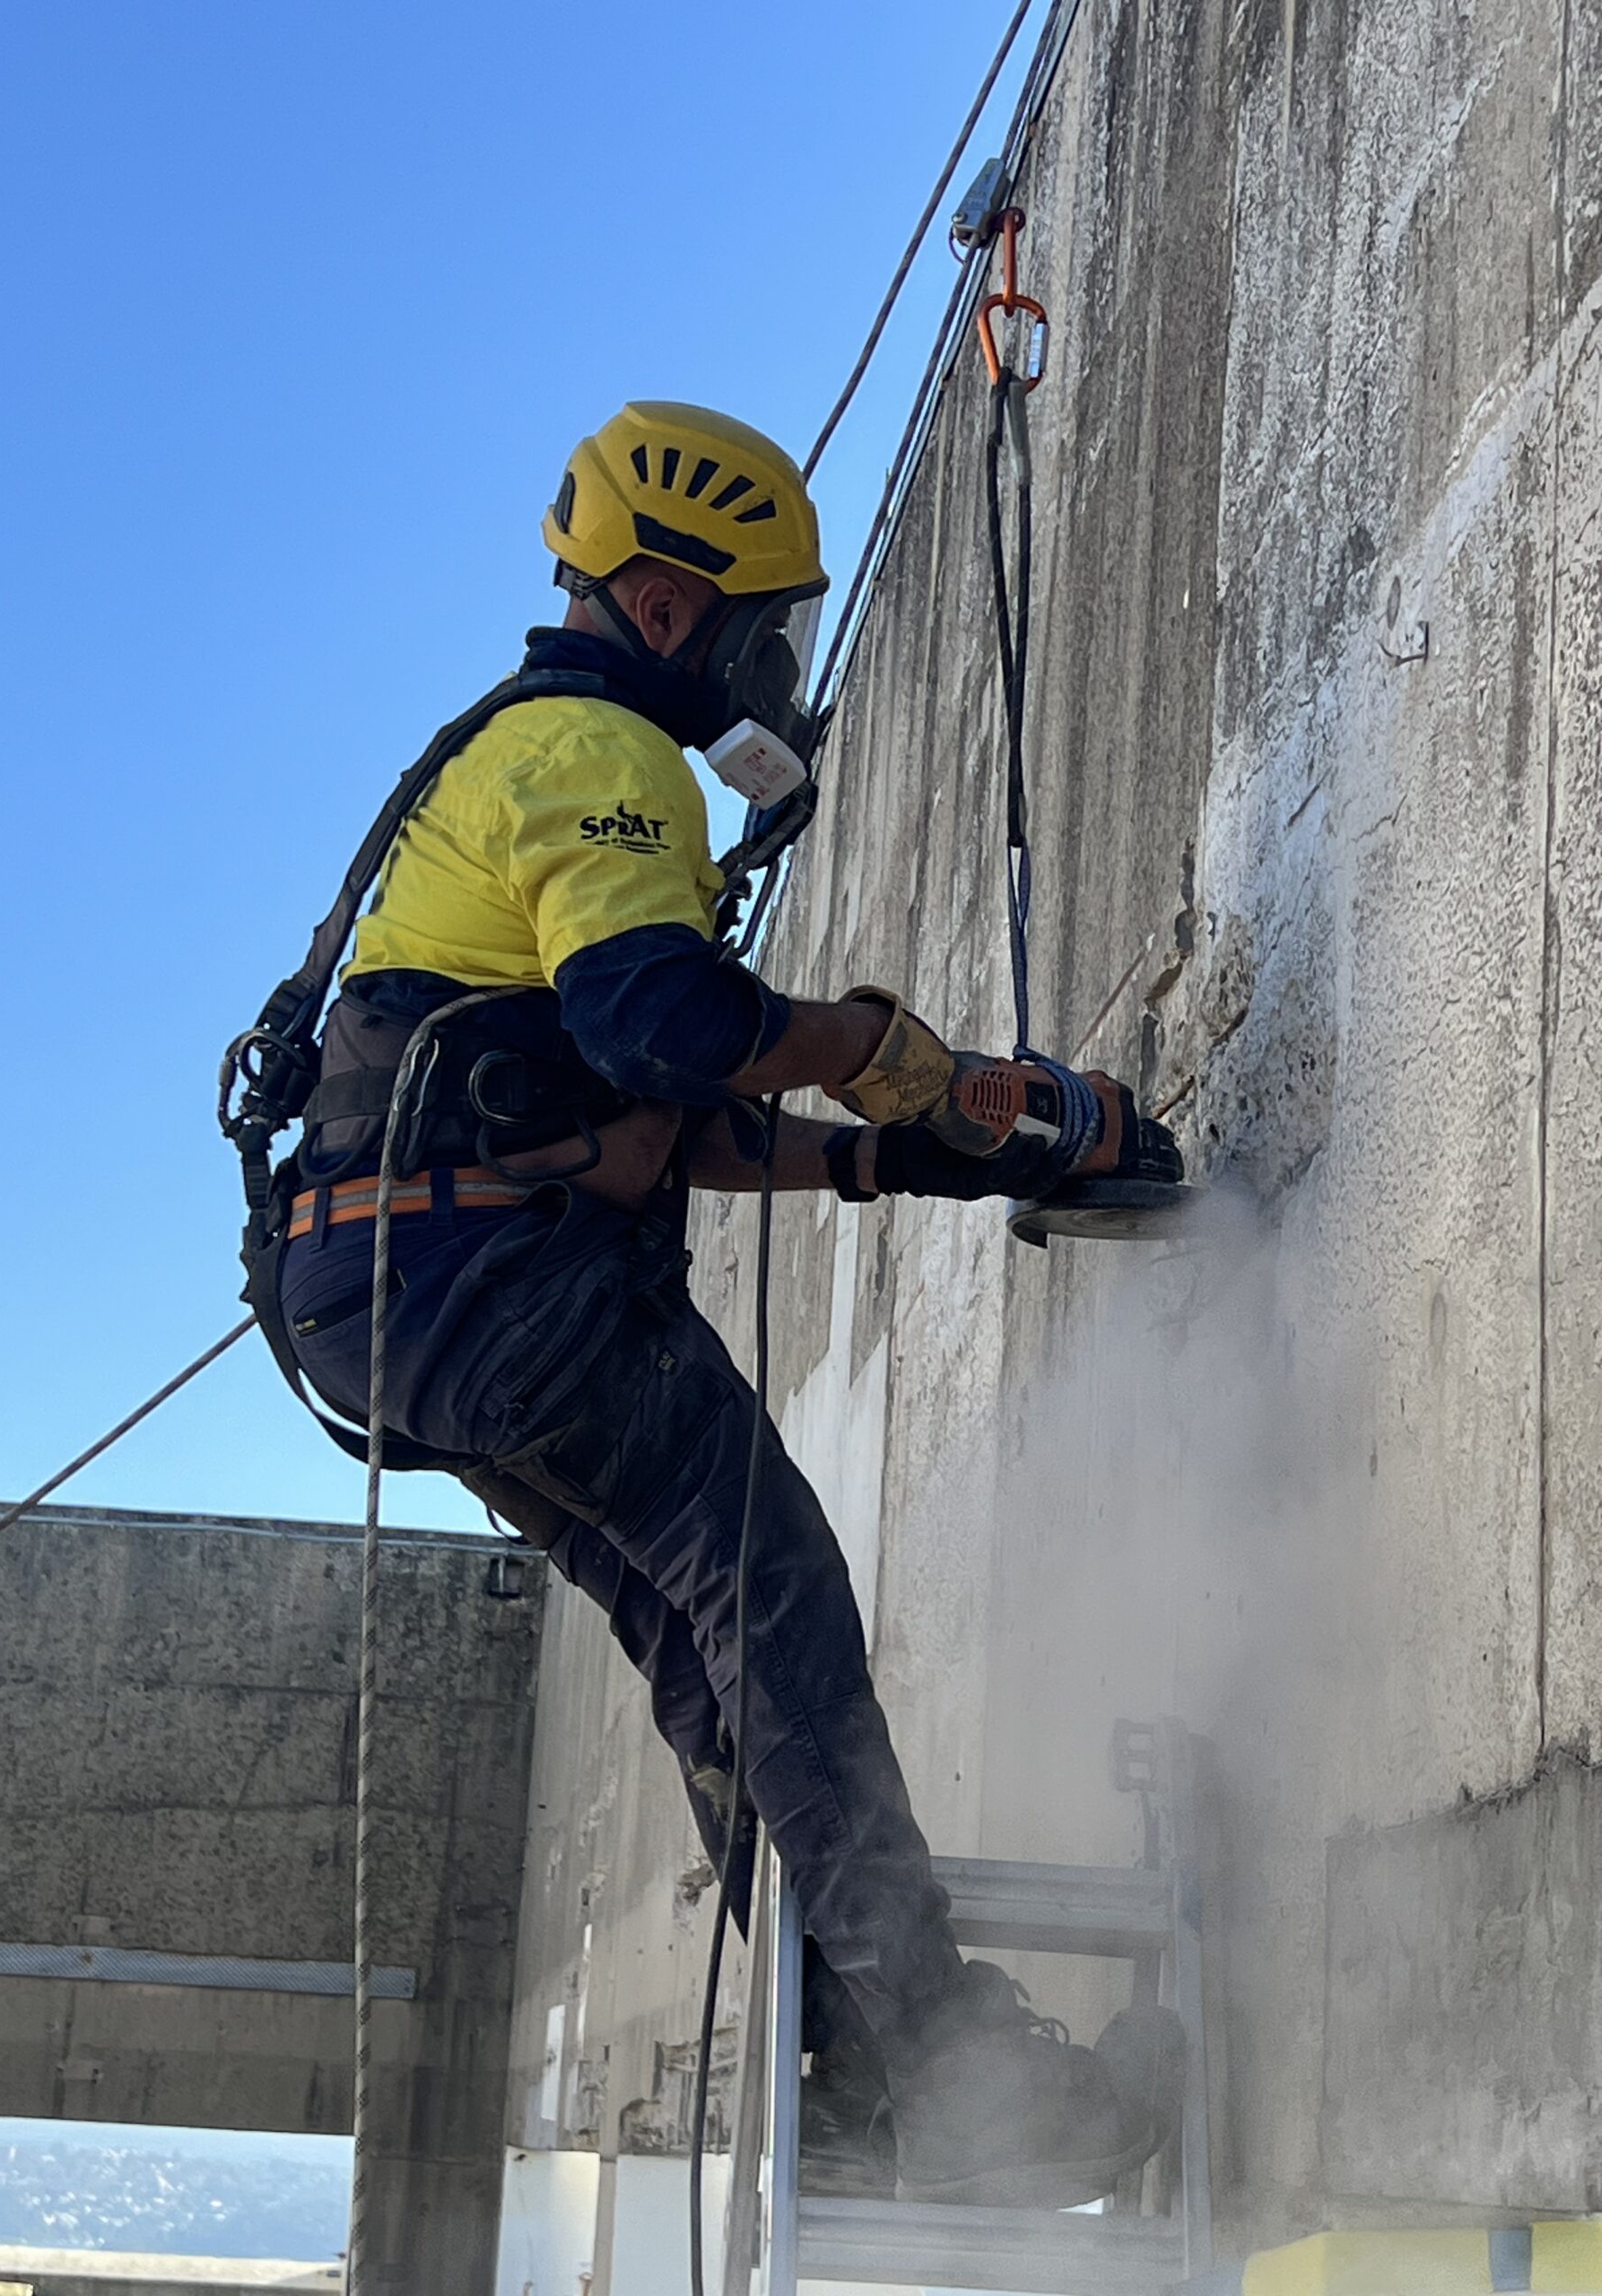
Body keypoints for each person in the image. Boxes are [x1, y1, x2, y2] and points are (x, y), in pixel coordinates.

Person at [274, 402, 1185, 2203]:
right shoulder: (598, 750)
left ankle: (855, 2077)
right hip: (487, 1285)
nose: (779, 675)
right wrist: (889, 1054)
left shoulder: (517, 774)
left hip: (406, 1290)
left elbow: (643, 1117)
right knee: (772, 1593)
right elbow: (671, 1031)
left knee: (716, 1647)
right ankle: (959, 2079)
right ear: (671, 608)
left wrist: (906, 1154)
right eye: (768, 633)